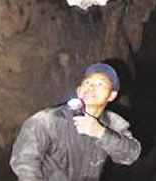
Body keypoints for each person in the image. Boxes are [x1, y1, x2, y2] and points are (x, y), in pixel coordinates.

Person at [10, 62, 141, 179]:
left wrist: (101, 132)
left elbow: (130, 155)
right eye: (87, 82)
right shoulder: (47, 120)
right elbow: (24, 160)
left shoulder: (113, 123)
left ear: (112, 95)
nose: (91, 87)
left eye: (100, 84)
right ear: (79, 90)